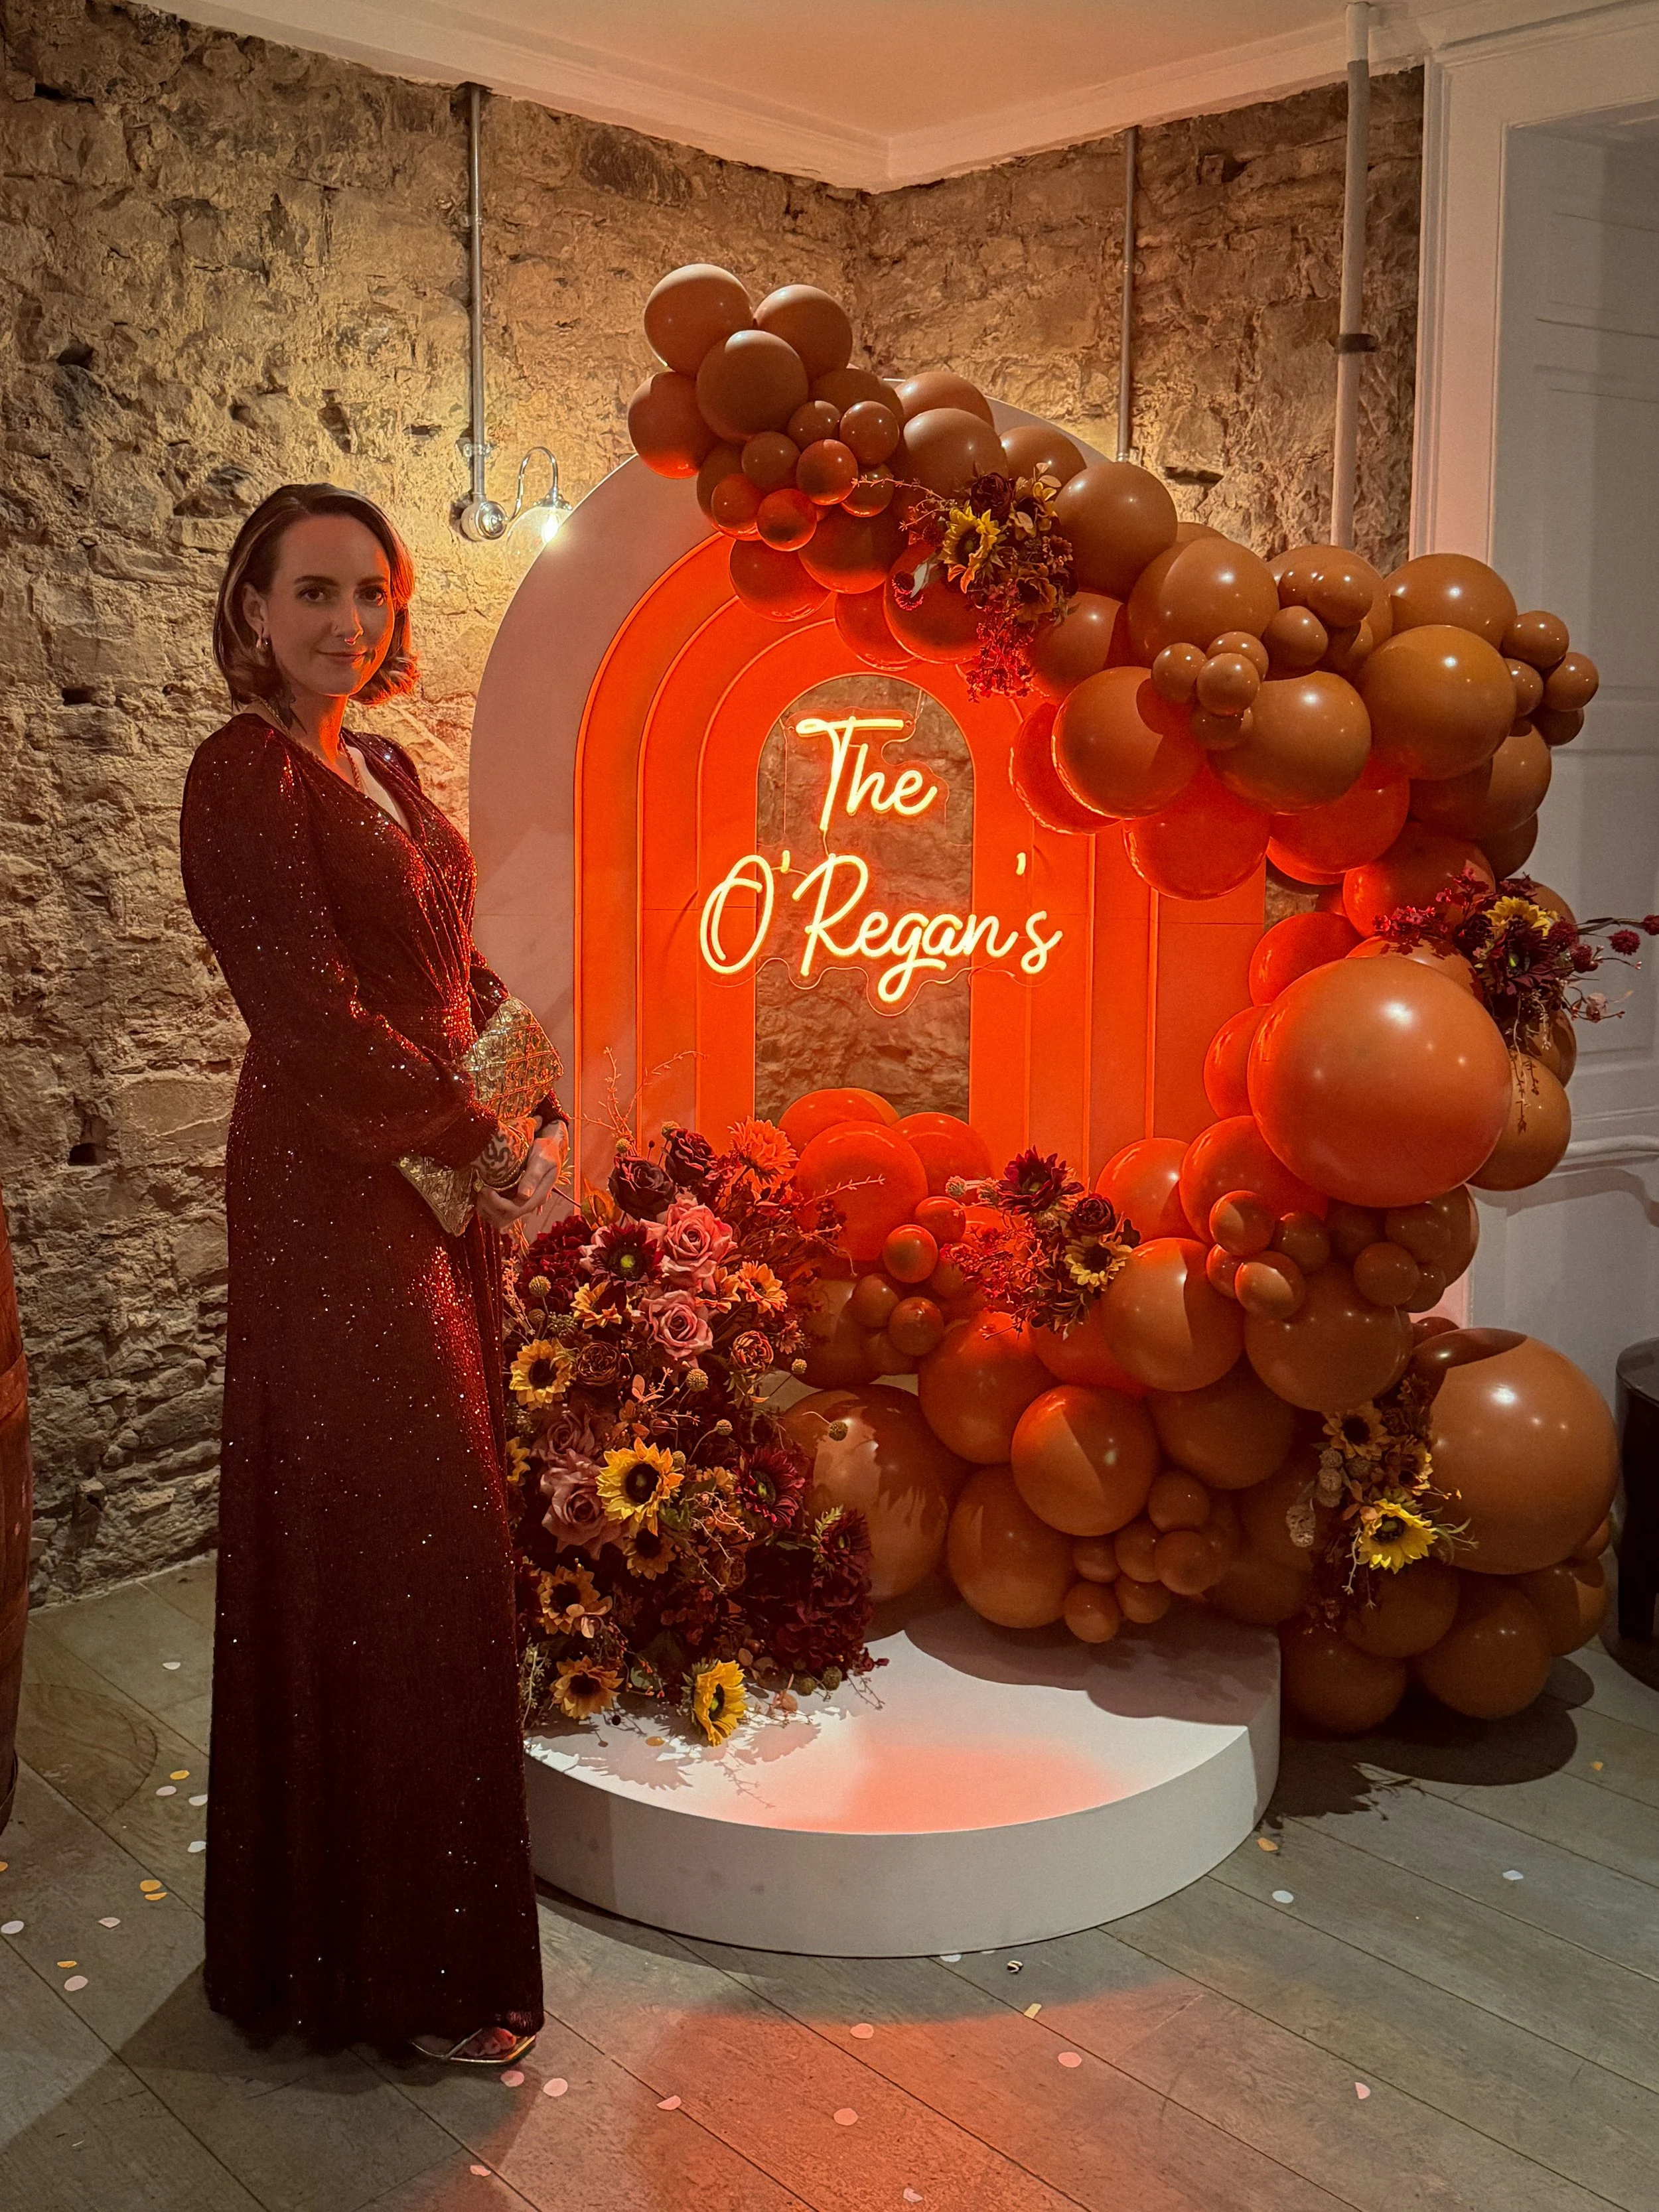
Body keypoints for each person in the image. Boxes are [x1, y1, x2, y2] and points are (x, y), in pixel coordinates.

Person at [179, 482, 565, 2063]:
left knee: (423, 1545)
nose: (351, 624)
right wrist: (481, 1131)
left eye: (375, 597)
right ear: (252, 609)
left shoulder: (388, 765)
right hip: (332, 1193)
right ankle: (399, 1972)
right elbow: (309, 1012)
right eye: (318, 592)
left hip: (430, 1171)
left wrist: (523, 1080)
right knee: (407, 1539)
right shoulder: (241, 772)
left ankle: (376, 1939)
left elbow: (448, 959)